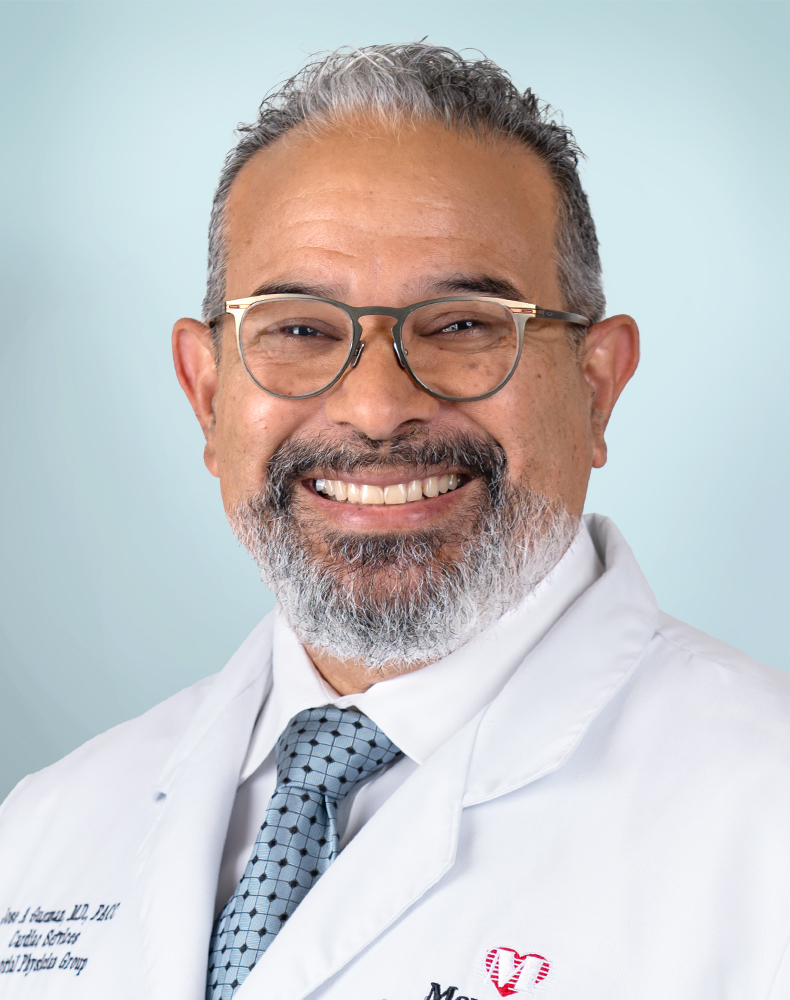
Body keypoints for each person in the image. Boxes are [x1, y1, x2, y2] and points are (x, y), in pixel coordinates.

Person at [1, 41, 788, 1000]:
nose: (376, 408)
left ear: (596, 386)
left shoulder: (766, 818)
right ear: (206, 396)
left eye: (462, 325)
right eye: (299, 329)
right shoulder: (40, 832)